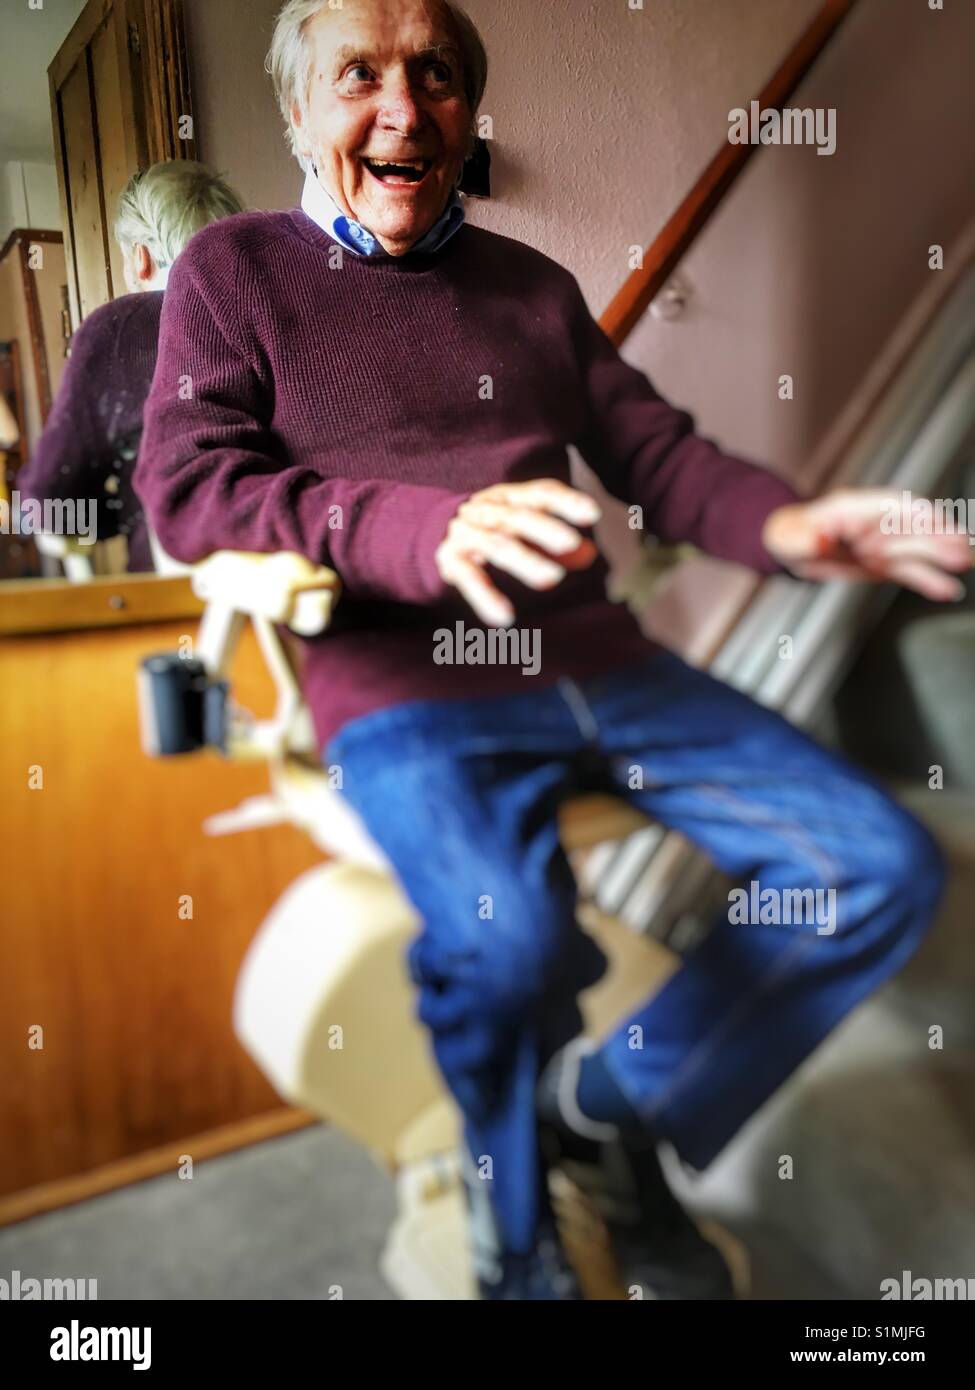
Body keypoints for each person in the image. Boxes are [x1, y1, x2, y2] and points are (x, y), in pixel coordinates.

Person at [134, 0, 970, 1299]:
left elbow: (660, 459)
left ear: (467, 115)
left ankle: (605, 1109)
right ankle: (510, 1213)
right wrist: (425, 528)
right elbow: (189, 489)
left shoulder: (533, 289)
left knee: (873, 863)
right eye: (358, 74)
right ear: (298, 111)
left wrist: (796, 524)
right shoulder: (231, 272)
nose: (403, 107)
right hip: (403, 687)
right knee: (512, 943)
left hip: (604, 663)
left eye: (437, 76)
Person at [18, 161, 243, 572]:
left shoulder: (120, 329)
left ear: (140, 258)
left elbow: (46, 504)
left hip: (180, 608)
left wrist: (126, 513)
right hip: (304, 596)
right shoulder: (273, 313)